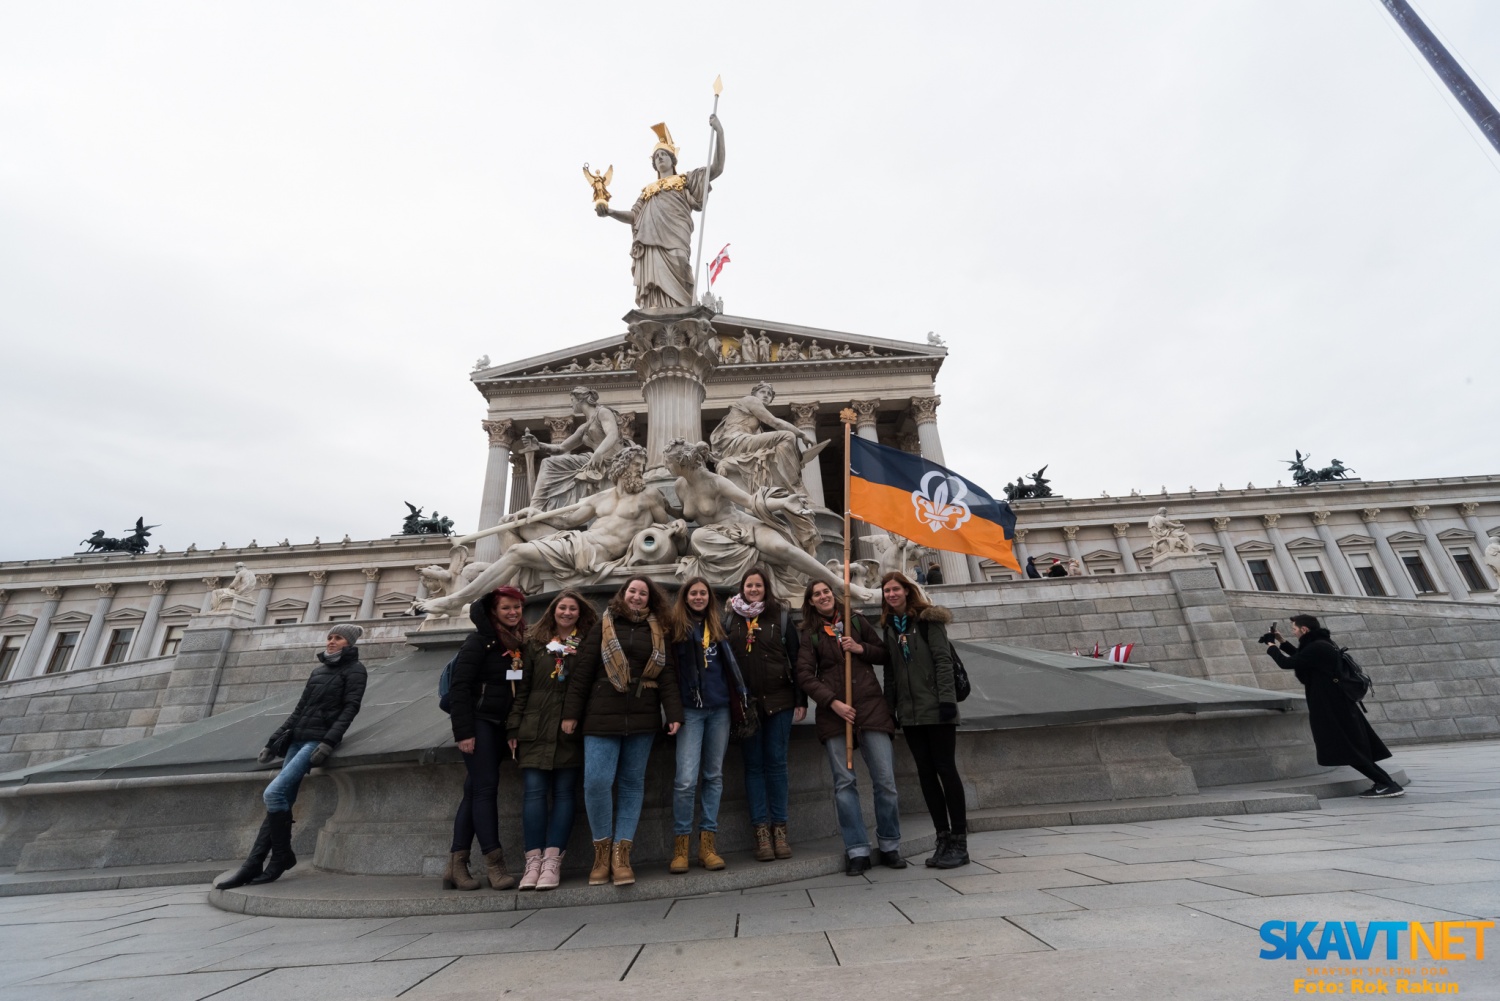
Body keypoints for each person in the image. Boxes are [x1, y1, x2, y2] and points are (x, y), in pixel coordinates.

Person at [215, 624, 367, 889]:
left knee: (273, 795)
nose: (331, 642)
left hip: (315, 742)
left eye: (338, 638)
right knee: (281, 799)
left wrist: (328, 742)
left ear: (349, 644)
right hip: (296, 740)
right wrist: (273, 742)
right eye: (330, 637)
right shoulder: (318, 671)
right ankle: (257, 862)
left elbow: (350, 709)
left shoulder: (355, 670)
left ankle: (282, 856)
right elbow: (299, 710)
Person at [562, 576, 683, 886]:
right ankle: (601, 852)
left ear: (650, 598)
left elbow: (667, 675)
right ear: (623, 594)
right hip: (602, 714)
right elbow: (583, 673)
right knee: (596, 782)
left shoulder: (659, 630)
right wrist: (571, 714)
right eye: (633, 591)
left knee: (632, 783)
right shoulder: (602, 626)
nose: (637, 597)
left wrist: (673, 714)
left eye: (643, 593)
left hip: (642, 715)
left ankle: (621, 854)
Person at [795, 579, 904, 876]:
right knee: (844, 784)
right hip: (835, 714)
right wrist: (833, 703)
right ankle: (856, 849)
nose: (823, 597)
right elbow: (804, 675)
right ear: (811, 602)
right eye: (817, 595)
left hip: (870, 706)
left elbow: (883, 654)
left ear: (834, 595)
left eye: (826, 592)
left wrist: (859, 647)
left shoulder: (856, 620)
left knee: (885, 782)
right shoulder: (809, 633)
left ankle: (890, 844)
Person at [507, 589, 598, 891]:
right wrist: (513, 728)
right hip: (534, 727)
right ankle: (532, 862)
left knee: (563, 794)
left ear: (580, 613)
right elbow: (521, 687)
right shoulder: (534, 643)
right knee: (533, 794)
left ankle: (552, 861)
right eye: (563, 607)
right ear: (553, 610)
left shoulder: (585, 644)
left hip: (568, 730)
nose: (567, 613)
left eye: (573, 609)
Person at [878, 572, 970, 868]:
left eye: (895, 589)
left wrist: (947, 702)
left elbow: (943, 661)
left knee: (946, 769)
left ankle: (960, 840)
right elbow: (891, 671)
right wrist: (891, 707)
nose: (891, 594)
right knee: (926, 775)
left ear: (907, 591)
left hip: (937, 708)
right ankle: (942, 838)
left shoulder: (929, 620)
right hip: (910, 713)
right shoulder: (890, 627)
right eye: (886, 591)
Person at [1265, 615, 1402, 798]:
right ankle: (1385, 783)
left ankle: (1385, 783)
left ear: (1304, 630)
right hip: (1337, 703)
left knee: (1346, 748)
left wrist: (1271, 647)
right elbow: (1301, 657)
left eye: (1294, 629)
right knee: (1351, 747)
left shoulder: (1317, 647)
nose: (1293, 631)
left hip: (1332, 707)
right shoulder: (1320, 643)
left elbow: (1287, 663)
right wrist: (1281, 641)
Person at [443, 587, 525, 891]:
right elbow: (459, 688)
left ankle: (456, 863)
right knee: (486, 788)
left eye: (516, 607)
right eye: (506, 608)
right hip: (479, 723)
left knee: (474, 790)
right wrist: (463, 733)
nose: (513, 612)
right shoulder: (478, 642)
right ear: (493, 612)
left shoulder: (516, 644)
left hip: (500, 724)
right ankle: (494, 863)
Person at [723, 566, 805, 861]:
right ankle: (761, 833)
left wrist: (800, 698)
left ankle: (780, 831)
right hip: (747, 705)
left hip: (779, 701)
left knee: (777, 764)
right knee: (753, 767)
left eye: (758, 586)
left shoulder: (780, 617)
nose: (753, 590)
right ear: (742, 589)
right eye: (749, 586)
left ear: (765, 589)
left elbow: (796, 659)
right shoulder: (730, 618)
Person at [668, 577, 747, 873]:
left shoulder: (719, 627)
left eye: (703, 593)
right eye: (693, 593)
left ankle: (708, 845)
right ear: (685, 597)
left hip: (720, 708)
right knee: (686, 780)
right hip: (690, 710)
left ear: (709, 598)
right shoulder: (675, 628)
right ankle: (681, 847)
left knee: (714, 776)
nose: (698, 597)